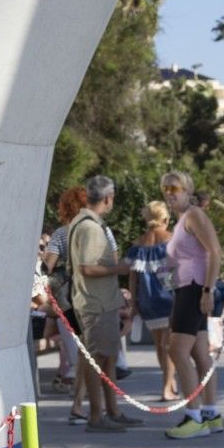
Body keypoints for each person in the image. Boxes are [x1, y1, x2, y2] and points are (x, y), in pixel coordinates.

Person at [65, 175, 142, 432]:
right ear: (108, 198)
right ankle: (97, 416)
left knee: (107, 357)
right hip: (95, 303)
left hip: (100, 302)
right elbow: (87, 267)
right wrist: (119, 268)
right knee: (96, 358)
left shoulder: (83, 222)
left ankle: (112, 411)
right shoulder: (90, 228)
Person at [161, 170, 224, 439]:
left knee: (176, 350)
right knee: (199, 353)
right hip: (186, 288)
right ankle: (210, 413)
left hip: (195, 288)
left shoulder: (194, 215)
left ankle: (193, 416)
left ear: (187, 190)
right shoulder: (182, 220)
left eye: (174, 188)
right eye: (165, 189)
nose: (169, 193)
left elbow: (215, 251)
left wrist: (208, 290)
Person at [40, 186, 89, 412]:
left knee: (79, 355)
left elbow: (48, 265)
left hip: (67, 302)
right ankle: (88, 404)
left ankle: (79, 404)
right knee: (93, 354)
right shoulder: (97, 230)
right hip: (92, 299)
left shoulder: (60, 234)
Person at [127, 201, 177, 402]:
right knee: (170, 345)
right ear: (165, 219)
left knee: (159, 344)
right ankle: (167, 387)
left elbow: (133, 276)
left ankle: (169, 382)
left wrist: (134, 302)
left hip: (147, 299)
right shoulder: (172, 240)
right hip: (169, 297)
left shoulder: (138, 244)